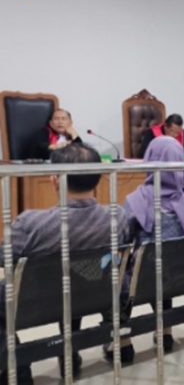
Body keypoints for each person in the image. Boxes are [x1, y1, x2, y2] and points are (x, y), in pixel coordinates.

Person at [0, 143, 131, 383]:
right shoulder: (119, 217)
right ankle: (70, 350)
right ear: (99, 179)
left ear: (54, 179)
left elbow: (5, 257)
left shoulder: (31, 224)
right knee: (80, 274)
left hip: (39, 302)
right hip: (98, 294)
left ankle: (17, 371)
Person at [122, 136, 184, 355]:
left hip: (145, 280)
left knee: (122, 267)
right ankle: (165, 331)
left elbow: (121, 239)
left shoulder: (136, 201)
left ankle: (122, 341)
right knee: (167, 260)